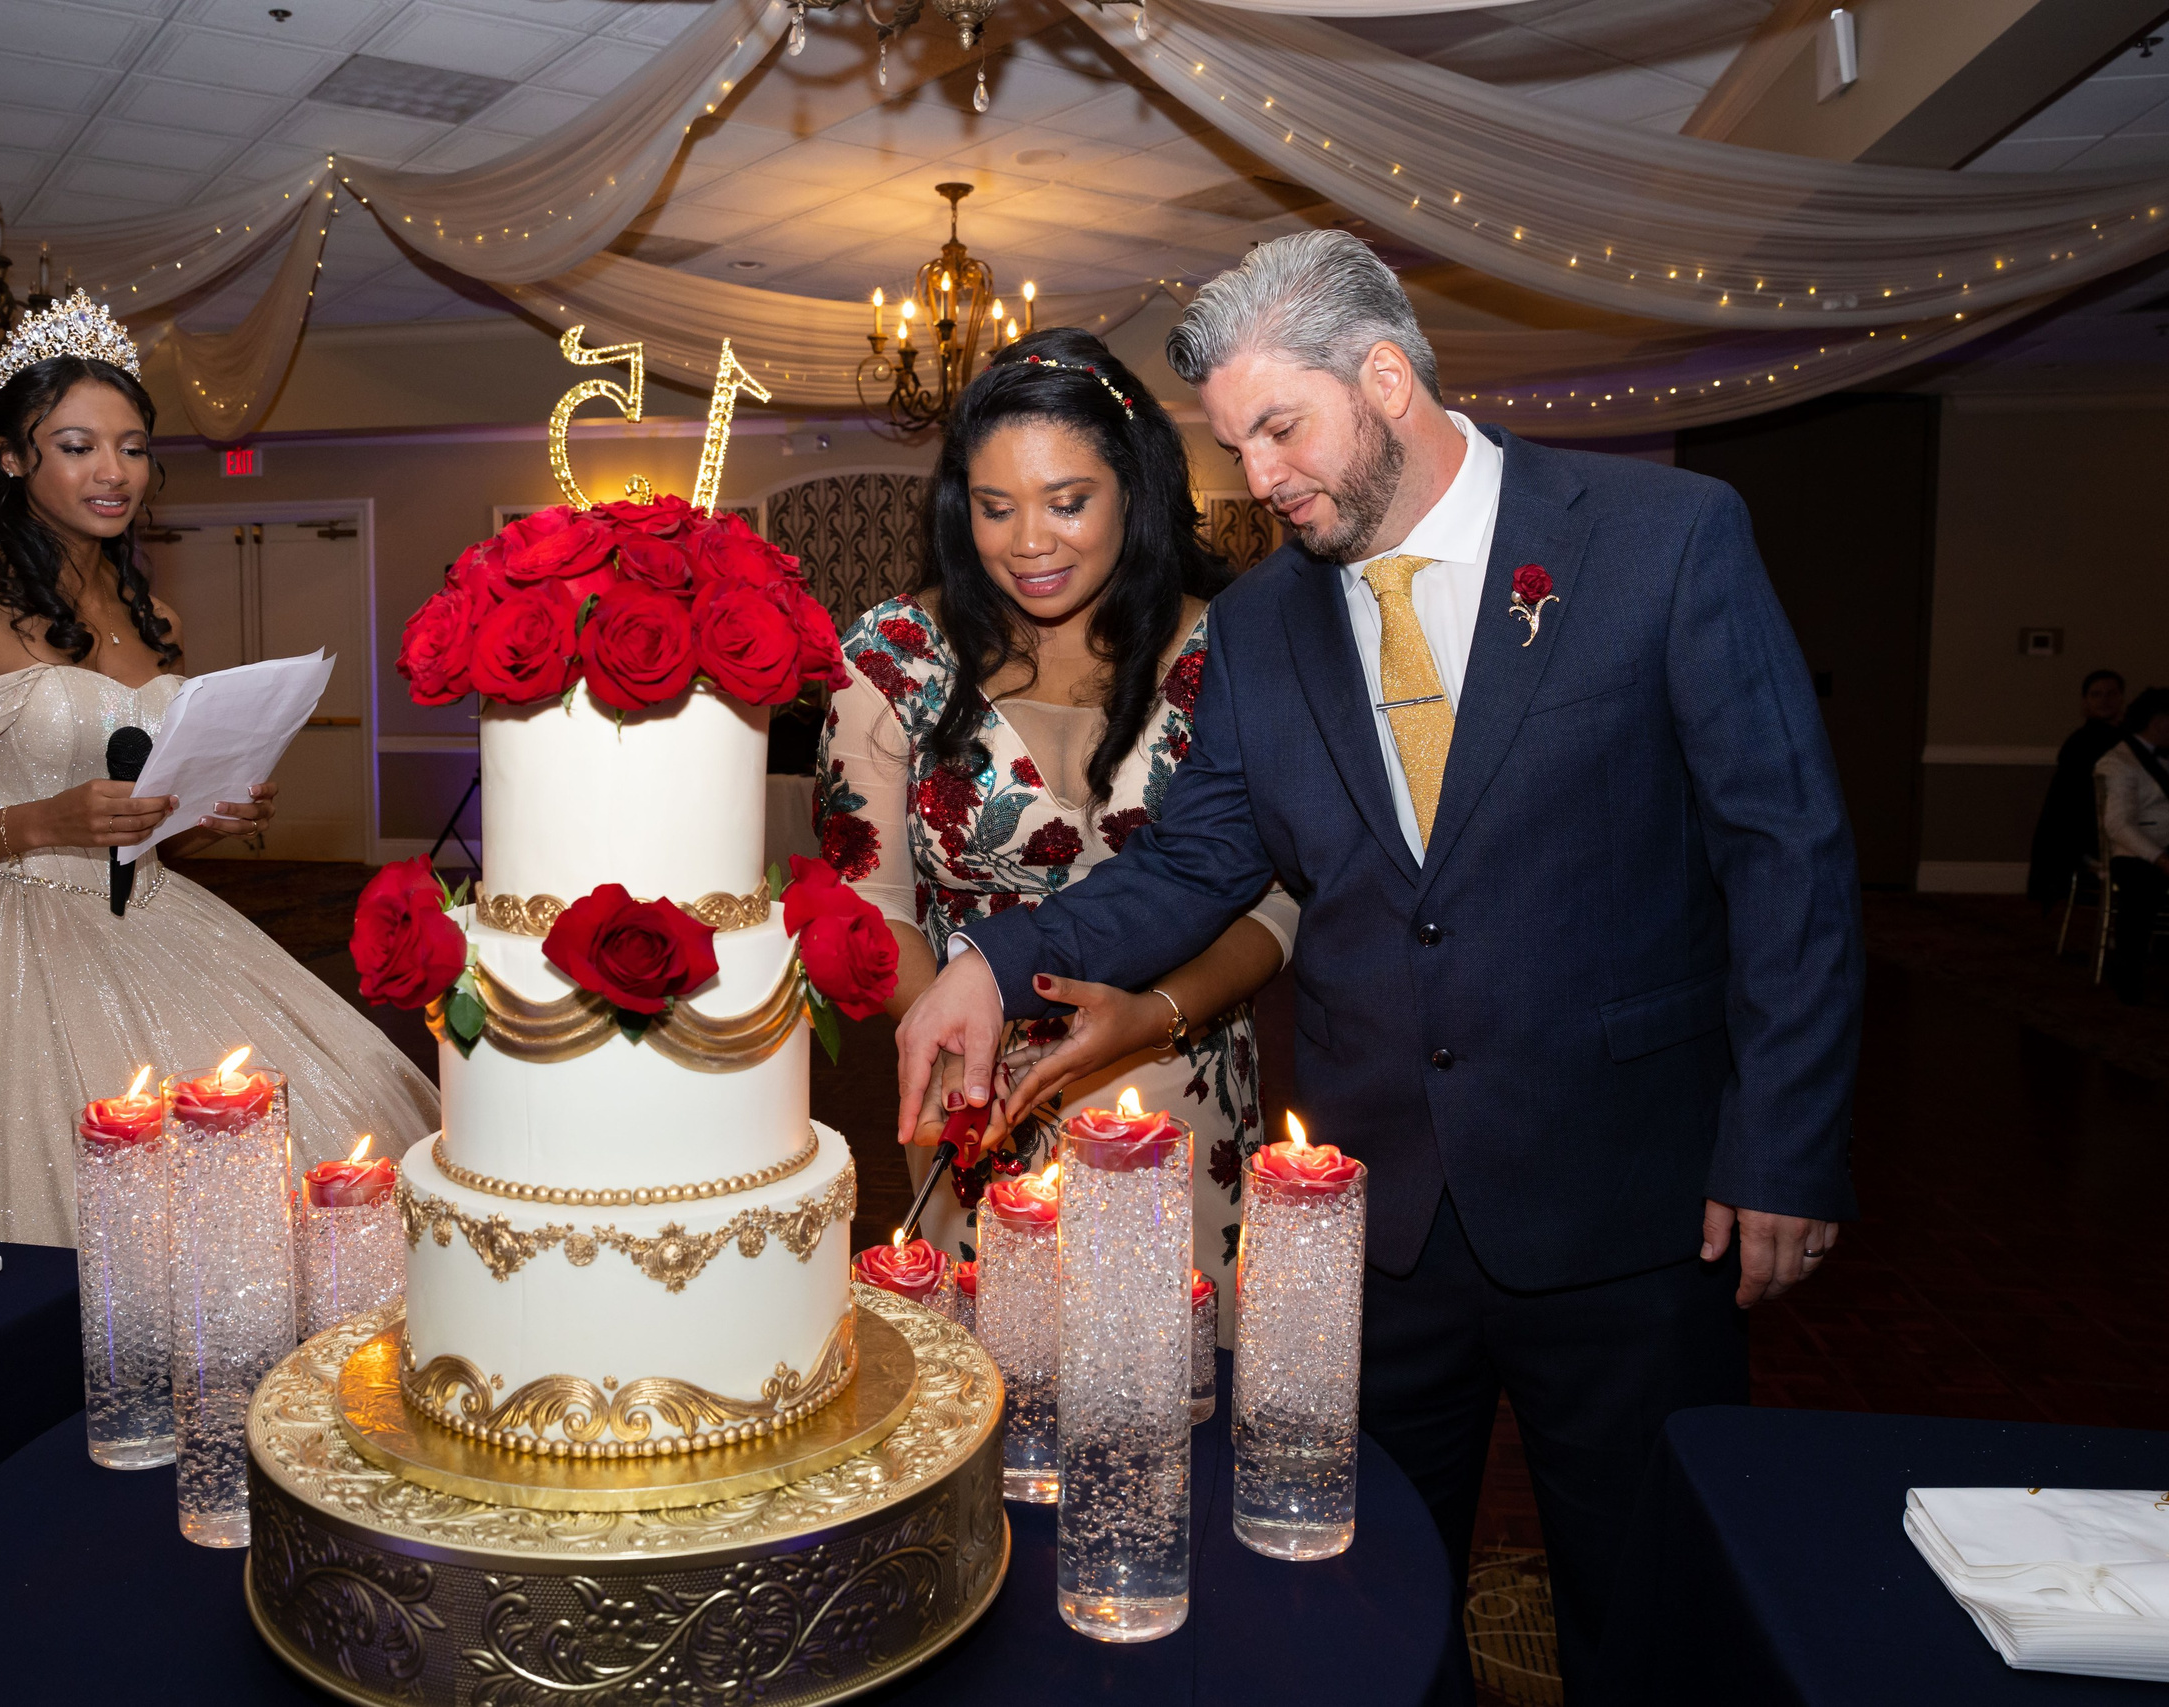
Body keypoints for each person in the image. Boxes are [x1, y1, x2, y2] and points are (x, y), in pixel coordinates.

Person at [894, 232, 1861, 1696]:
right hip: (1367, 1214)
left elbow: (1787, 853)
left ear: (1389, 376)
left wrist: (1784, 1143)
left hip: (1632, 1193)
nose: (1260, 473)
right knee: (1358, 1593)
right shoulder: (1273, 622)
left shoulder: (1664, 536)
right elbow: (1197, 862)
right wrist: (997, 955)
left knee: (1648, 1597)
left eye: (1282, 427)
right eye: (1237, 441)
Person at [0, 297, 437, 1244]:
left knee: (283, 1158)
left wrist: (206, 818)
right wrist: (43, 823)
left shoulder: (157, 617)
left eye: (132, 447)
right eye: (77, 445)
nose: (113, 472)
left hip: (157, 921)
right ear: (15, 457)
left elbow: (145, 826)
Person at [817, 327, 1296, 1284]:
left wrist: (1157, 1012)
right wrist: (960, 1051)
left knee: (1171, 1391)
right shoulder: (895, 656)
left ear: (1135, 490)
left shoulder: (1232, 649)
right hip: (974, 1104)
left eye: (1067, 503)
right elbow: (865, 904)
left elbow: (1278, 894)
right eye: (996, 509)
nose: (1028, 542)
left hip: (1176, 1091)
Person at [2094, 686, 2169, 1005]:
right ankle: (2127, 968)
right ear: (2159, 722)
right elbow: (2118, 824)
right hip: (2136, 852)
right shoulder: (2118, 761)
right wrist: (2161, 858)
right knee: (2142, 885)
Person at [2028, 668, 2125, 910]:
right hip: (2089, 836)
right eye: (2097, 694)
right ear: (2086, 702)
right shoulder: (2081, 744)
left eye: (2111, 693)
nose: (2104, 700)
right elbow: (2074, 804)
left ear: (2122, 698)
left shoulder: (2129, 741)